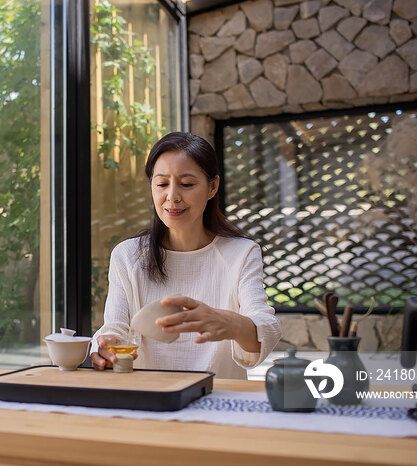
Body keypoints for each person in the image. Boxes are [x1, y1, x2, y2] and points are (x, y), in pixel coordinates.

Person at [90, 132, 281, 379]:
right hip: (150, 400)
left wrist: (231, 323)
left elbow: (266, 327)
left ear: (212, 187)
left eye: (187, 184)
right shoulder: (127, 256)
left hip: (218, 401)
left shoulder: (240, 253)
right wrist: (107, 344)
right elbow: (116, 328)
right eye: (161, 184)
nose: (172, 196)